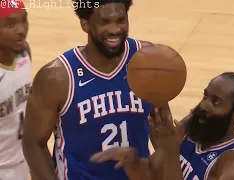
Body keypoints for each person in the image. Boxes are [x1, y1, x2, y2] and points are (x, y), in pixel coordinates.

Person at [22, 0, 170, 179]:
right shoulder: (57, 78)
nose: (115, 30)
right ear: (85, 25)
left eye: (121, 20)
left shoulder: (147, 60)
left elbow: (164, 132)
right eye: (104, 22)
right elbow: (33, 143)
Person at [90, 72, 234, 180]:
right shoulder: (194, 125)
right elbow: (151, 173)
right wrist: (132, 161)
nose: (204, 105)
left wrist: (170, 152)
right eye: (205, 96)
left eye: (216, 102)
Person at [0, 0, 31, 179]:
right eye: (10, 24)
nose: (21, 30)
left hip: (21, 160)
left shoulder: (24, 52)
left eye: (24, 20)